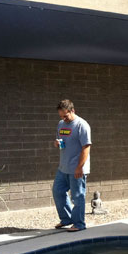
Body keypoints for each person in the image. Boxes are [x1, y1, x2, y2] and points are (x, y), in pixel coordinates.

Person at [52, 99, 91, 232]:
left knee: (77, 196)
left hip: (77, 168)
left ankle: (79, 224)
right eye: (61, 116)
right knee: (57, 191)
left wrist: (80, 167)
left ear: (72, 111)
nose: (64, 119)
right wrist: (57, 143)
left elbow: (86, 147)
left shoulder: (82, 125)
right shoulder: (61, 124)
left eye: (66, 116)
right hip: (63, 167)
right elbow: (61, 140)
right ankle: (66, 219)